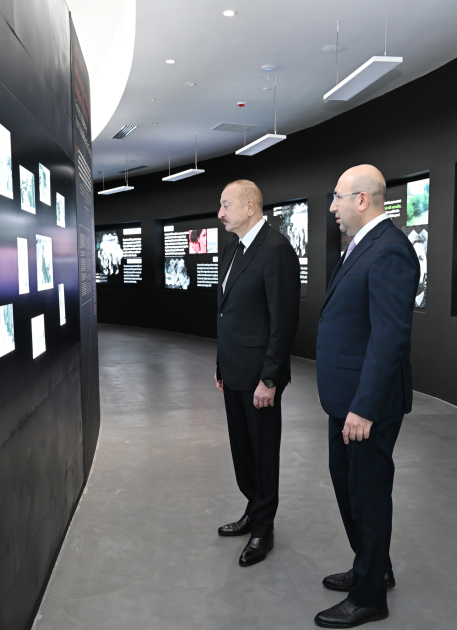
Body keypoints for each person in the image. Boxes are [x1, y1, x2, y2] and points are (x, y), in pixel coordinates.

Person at [315, 165, 420, 628]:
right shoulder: (362, 245)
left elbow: (389, 338)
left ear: (362, 199)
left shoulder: (390, 250)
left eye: (337, 197)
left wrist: (362, 407)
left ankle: (369, 596)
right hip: (346, 400)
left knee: (368, 494)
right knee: (350, 487)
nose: (332, 207)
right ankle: (373, 567)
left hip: (365, 405)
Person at [214, 179, 300, 567]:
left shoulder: (276, 250)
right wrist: (221, 364)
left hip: (259, 378)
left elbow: (283, 321)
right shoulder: (232, 249)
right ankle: (253, 509)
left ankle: (263, 529)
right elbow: (227, 314)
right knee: (243, 452)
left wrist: (270, 378)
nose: (220, 214)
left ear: (250, 207)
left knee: (263, 454)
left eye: (226, 205)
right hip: (233, 372)